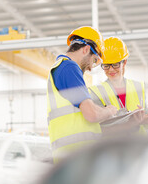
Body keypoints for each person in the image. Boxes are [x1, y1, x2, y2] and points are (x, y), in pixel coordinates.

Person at [47, 26, 117, 161]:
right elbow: (91, 114)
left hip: (70, 158)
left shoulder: (61, 68)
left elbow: (85, 110)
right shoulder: (69, 68)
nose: (91, 67)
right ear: (85, 50)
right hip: (76, 158)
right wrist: (109, 111)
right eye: (95, 60)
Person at [89, 37, 148, 134]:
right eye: (106, 65)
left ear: (124, 62)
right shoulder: (96, 92)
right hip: (114, 146)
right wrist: (134, 121)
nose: (111, 70)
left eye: (115, 64)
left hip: (138, 145)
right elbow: (100, 127)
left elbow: (146, 124)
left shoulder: (138, 87)